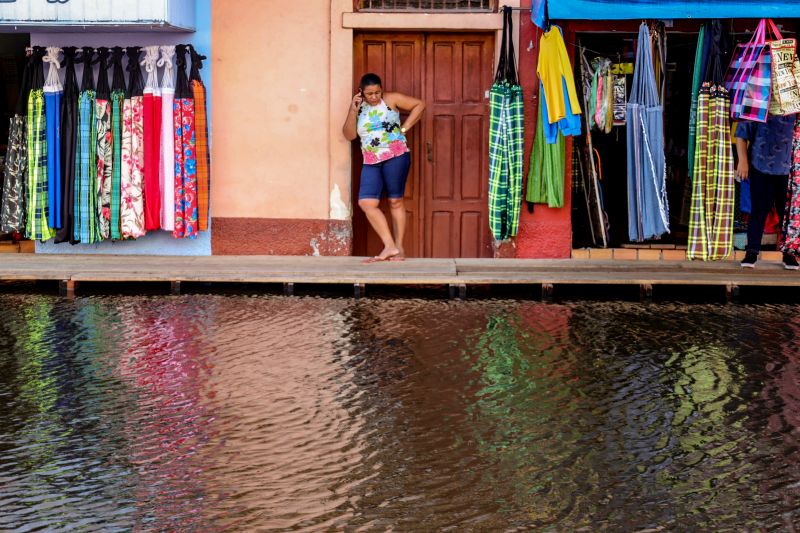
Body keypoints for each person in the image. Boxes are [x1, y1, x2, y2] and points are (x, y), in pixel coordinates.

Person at [342, 73, 425, 262]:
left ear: (382, 90)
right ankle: (389, 246)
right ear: (361, 92)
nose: (374, 97)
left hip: (396, 155)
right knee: (366, 203)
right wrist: (353, 111)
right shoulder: (358, 107)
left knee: (395, 201)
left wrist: (404, 129)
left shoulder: (391, 99)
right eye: (369, 94)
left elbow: (420, 104)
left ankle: (400, 248)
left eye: (377, 92)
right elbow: (349, 135)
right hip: (371, 160)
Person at [735, 114, 799, 270]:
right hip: (760, 163)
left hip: (789, 168)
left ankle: (789, 253)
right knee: (758, 210)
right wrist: (742, 161)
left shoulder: (795, 104)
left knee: (788, 215)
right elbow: (742, 133)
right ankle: (752, 251)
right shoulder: (759, 99)